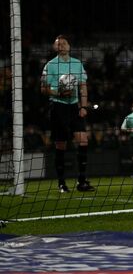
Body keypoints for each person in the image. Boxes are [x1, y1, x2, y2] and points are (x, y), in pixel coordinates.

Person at [40, 34, 94, 193]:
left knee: (83, 140)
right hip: (58, 107)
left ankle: (82, 181)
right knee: (61, 145)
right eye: (59, 44)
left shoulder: (77, 64)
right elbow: (43, 89)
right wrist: (58, 93)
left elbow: (83, 86)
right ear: (55, 48)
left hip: (74, 107)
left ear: (69, 46)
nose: (62, 45)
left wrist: (83, 107)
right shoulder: (50, 65)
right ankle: (62, 183)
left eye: (64, 43)